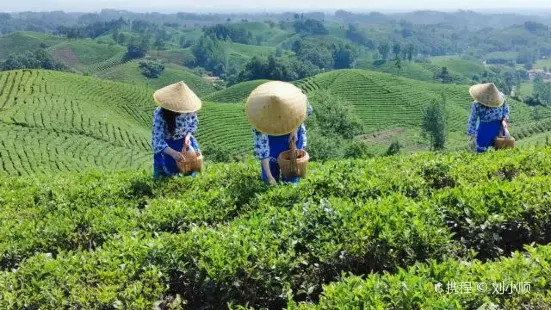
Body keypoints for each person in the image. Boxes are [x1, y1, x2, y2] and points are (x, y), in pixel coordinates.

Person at [246, 81, 313, 184]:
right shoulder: (261, 123)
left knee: (292, 175)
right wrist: (269, 176)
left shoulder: (295, 99)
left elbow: (306, 111)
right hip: (272, 146)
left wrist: (294, 128)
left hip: (293, 140)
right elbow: (263, 152)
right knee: (270, 181)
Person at [152, 81, 202, 178]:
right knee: (165, 178)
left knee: (190, 170)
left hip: (184, 143)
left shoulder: (189, 110)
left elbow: (193, 124)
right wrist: (173, 153)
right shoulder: (160, 114)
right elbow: (157, 140)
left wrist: (188, 136)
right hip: (167, 147)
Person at [467, 83, 510, 153]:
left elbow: (505, 111)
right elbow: (472, 120)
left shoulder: (501, 98)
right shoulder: (476, 104)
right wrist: (473, 136)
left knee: (500, 152)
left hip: (499, 129)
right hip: (484, 131)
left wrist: (504, 121)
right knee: (483, 154)